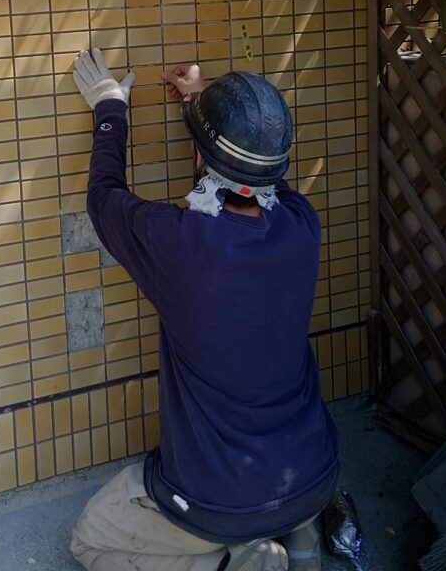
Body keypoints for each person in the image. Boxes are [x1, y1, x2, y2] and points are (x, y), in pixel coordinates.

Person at [68, 49, 339, 571]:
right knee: (285, 496)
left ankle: (243, 561)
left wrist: (109, 107)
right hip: (314, 475)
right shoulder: (302, 226)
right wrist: (202, 105)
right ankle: (302, 541)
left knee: (91, 539)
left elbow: (104, 196)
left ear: (201, 159)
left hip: (222, 502)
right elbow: (261, 180)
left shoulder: (178, 244)